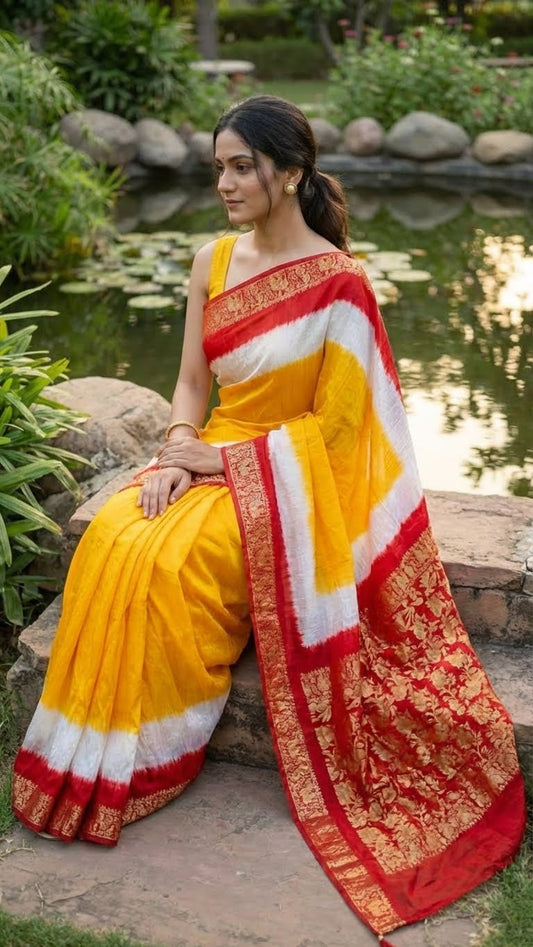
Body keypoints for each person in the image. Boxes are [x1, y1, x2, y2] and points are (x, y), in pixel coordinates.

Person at [13, 96, 525, 944]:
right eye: (218, 166)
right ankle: (87, 758)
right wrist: (177, 448)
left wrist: (223, 464)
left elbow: (337, 434)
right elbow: (188, 384)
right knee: (113, 534)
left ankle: (147, 762)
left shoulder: (340, 286)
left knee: (170, 565)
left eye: (242, 166)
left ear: (290, 174)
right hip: (208, 454)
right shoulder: (211, 260)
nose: (224, 182)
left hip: (283, 488)